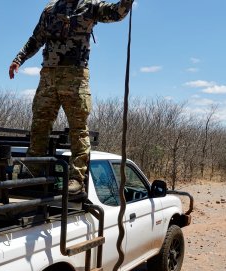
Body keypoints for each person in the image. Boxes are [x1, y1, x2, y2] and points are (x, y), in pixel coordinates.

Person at [9, 0, 133, 194]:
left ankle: (76, 178)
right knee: (39, 125)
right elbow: (36, 38)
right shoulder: (50, 9)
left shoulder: (90, 6)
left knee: (78, 129)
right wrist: (18, 59)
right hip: (48, 76)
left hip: (75, 76)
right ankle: (31, 172)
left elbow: (116, 13)